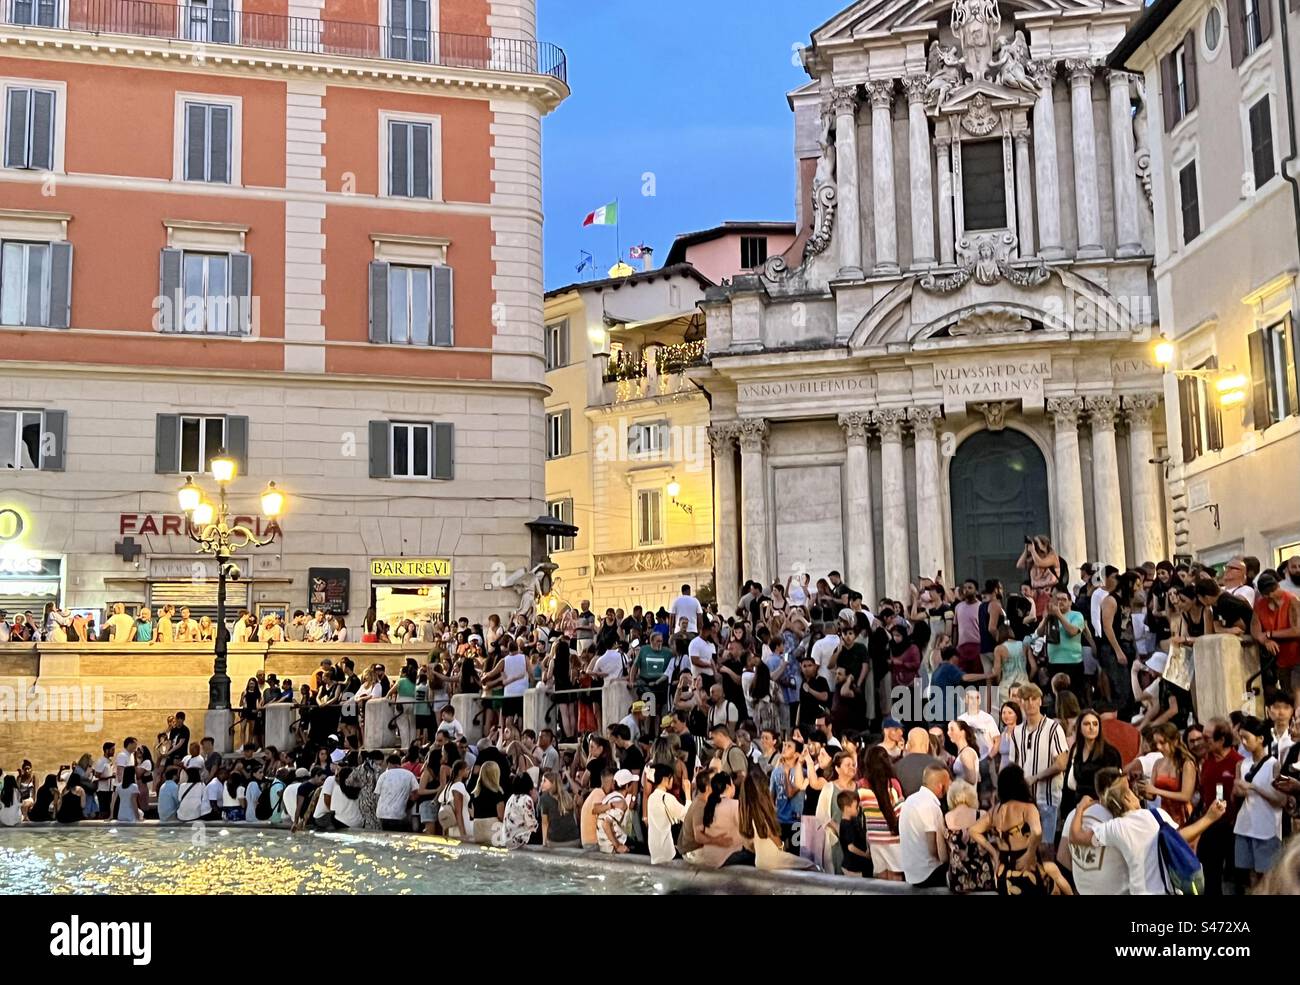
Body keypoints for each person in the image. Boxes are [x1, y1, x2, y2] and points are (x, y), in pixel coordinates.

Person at [1070, 770, 1225, 895]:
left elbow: (1075, 837)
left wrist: (1080, 808)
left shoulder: (1114, 828)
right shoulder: (1156, 815)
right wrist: (1209, 818)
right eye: (1131, 792)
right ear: (1127, 799)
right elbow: (1181, 837)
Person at [969, 765, 1073, 895]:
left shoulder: (994, 812)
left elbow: (973, 830)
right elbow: (1037, 831)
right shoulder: (1027, 808)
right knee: (1055, 874)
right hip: (1026, 869)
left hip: (1003, 872)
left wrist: (994, 854)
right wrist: (1029, 854)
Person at [1234, 715, 1286, 886]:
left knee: (1267, 876)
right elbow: (1236, 795)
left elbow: (1281, 800)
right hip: (1245, 825)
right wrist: (1238, 790)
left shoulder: (1273, 765)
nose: (1243, 742)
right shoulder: (1242, 765)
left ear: (1260, 738)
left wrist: (1254, 788)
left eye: (1246, 738)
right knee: (1249, 876)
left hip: (1267, 828)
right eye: (1240, 738)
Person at [1055, 708, 1121, 839]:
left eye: (1095, 724)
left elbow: (1115, 786)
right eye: (1087, 724)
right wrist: (1064, 812)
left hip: (1100, 808)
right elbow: (1068, 784)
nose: (1091, 728)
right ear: (1079, 728)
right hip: (1076, 806)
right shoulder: (1076, 749)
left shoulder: (1110, 753)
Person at [898, 766, 951, 888]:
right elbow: (933, 850)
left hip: (911, 874)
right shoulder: (930, 806)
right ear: (940, 786)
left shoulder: (909, 800)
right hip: (927, 873)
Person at [943, 778, 995, 893]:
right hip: (982, 875)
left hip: (958, 878)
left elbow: (946, 851)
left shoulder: (947, 817)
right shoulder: (982, 815)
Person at [647, 763, 689, 863]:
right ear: (666, 779)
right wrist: (688, 793)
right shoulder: (666, 798)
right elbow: (687, 815)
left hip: (654, 848)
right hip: (666, 850)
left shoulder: (651, 797)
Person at [375, 753, 418, 831]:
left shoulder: (383, 776)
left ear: (389, 764)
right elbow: (416, 792)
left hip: (383, 813)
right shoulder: (409, 775)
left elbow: (377, 794)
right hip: (399, 813)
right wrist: (409, 804)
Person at [495, 773, 538, 849]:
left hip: (507, 839)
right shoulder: (526, 799)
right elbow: (531, 824)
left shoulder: (511, 798)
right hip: (519, 841)